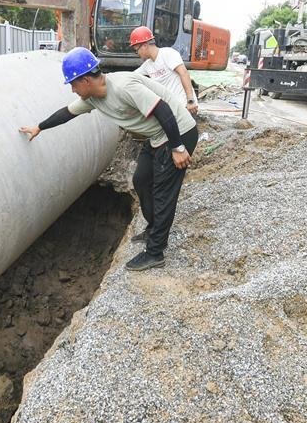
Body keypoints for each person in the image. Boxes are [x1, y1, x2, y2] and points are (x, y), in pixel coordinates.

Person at [19, 47, 198, 271]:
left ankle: (155, 253)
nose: (73, 90)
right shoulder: (93, 98)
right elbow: (66, 113)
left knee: (163, 193)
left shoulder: (123, 87)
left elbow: (163, 111)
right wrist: (39, 127)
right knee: (141, 181)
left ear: (85, 80)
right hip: (157, 136)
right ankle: (153, 229)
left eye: (73, 84)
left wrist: (178, 147)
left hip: (177, 132)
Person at [130, 26, 198, 115]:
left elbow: (184, 73)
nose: (137, 54)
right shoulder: (147, 65)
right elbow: (130, 76)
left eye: (136, 50)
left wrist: (190, 100)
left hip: (185, 107)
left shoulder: (167, 54)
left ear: (145, 46)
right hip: (171, 110)